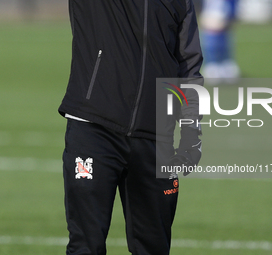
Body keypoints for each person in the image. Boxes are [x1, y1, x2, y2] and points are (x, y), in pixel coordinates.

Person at [58, 0, 203, 254]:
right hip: (93, 129)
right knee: (86, 246)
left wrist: (192, 134)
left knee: (154, 247)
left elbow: (189, 68)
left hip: (157, 137)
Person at [200, 0, 240, 82]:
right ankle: (213, 66)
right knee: (212, 43)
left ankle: (225, 66)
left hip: (222, 15)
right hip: (211, 15)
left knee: (223, 43)